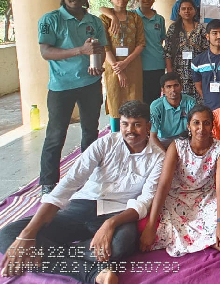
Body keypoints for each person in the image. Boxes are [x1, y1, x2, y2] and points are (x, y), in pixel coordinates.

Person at [0, 101, 165, 283]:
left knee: (121, 243)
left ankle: (41, 256)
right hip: (82, 205)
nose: (130, 130)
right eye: (125, 124)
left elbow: (144, 201)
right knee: (8, 234)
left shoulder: (158, 157)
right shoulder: (105, 143)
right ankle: (93, 272)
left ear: (148, 126)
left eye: (137, 124)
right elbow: (70, 182)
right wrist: (26, 235)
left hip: (118, 213)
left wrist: (110, 224)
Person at [37, 0, 107, 195]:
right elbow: (46, 52)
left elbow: (101, 50)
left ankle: (88, 175)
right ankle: (48, 183)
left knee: (90, 131)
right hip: (61, 86)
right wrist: (80, 50)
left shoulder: (94, 22)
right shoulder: (50, 20)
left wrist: (98, 64)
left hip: (90, 83)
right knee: (56, 134)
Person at [140, 104, 220, 258]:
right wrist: (150, 225)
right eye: (196, 123)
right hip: (176, 197)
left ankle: (208, 239)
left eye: (206, 123)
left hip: (205, 197)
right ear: (188, 125)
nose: (201, 128)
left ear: (212, 126)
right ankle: (209, 241)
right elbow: (164, 185)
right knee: (162, 229)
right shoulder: (177, 146)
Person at [100, 0, 166, 105]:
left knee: (147, 99)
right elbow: (102, 9)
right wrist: (113, 17)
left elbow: (157, 40)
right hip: (130, 65)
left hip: (150, 64)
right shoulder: (130, 16)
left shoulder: (150, 18)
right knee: (119, 100)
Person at [101, 0, 145, 132]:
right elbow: (104, 45)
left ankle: (134, 135)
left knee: (134, 101)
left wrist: (125, 63)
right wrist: (118, 69)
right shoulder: (105, 19)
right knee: (115, 100)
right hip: (113, 67)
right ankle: (116, 136)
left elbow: (141, 43)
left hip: (132, 66)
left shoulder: (135, 18)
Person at [164, 0, 208, 103]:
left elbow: (206, 51)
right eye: (183, 9)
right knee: (180, 99)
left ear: (195, 11)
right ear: (179, 12)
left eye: (189, 8)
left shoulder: (201, 29)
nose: (187, 11)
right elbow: (167, 51)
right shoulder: (173, 28)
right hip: (178, 71)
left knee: (197, 101)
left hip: (197, 71)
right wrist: (170, 72)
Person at [149, 72, 196, 150]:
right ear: (163, 90)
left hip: (184, 139)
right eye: (168, 87)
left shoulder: (190, 102)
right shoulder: (156, 106)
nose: (173, 89)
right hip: (162, 141)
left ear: (181, 87)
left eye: (176, 85)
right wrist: (166, 154)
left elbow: (195, 129)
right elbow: (153, 137)